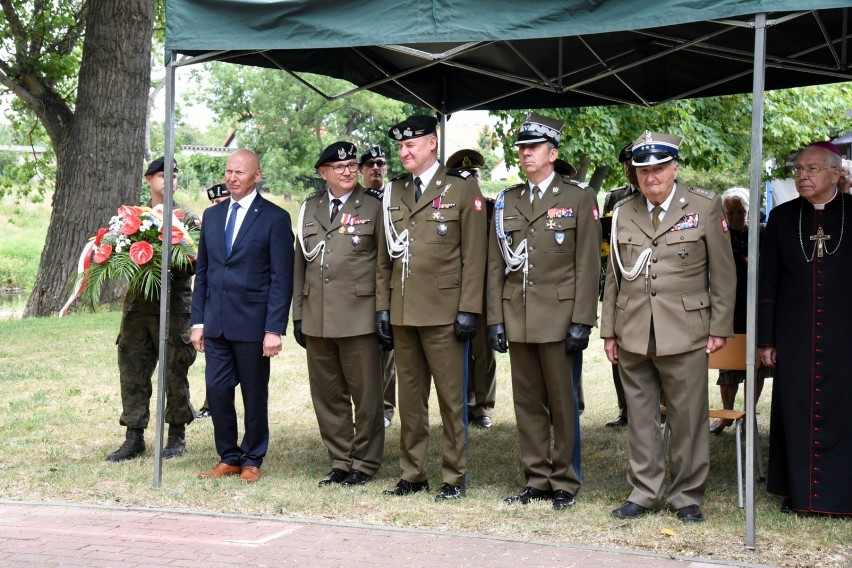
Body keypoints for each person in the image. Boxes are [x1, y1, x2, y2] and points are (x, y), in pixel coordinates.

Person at [601, 130, 735, 523]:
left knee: (688, 418)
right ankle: (643, 492)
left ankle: (687, 495)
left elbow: (723, 275)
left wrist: (719, 327)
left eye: (659, 168)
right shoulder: (624, 210)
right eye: (643, 170)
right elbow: (613, 275)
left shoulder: (704, 206)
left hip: (686, 329)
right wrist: (609, 330)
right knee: (640, 416)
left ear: (675, 168)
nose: (651, 177)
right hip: (633, 330)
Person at [487, 113, 601, 511]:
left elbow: (589, 264)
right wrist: (495, 318)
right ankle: (536, 478)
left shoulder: (578, 197)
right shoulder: (508, 200)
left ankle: (565, 481)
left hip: (559, 316)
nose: (525, 154)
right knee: (528, 402)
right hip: (517, 314)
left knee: (563, 403)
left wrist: (582, 320)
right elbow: (494, 264)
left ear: (552, 153)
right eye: (521, 148)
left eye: (533, 148)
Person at [376, 115, 487, 501]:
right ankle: (413, 472)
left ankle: (454, 476)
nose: (404, 152)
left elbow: (475, 255)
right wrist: (382, 308)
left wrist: (469, 309)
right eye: (401, 146)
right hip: (404, 310)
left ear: (432, 145)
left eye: (412, 145)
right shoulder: (394, 191)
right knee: (410, 398)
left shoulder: (461, 187)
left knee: (451, 401)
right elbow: (383, 258)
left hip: (445, 312)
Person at [758, 141, 852, 515]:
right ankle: (799, 493)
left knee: (844, 410)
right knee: (795, 407)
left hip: (845, 332)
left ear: (835, 173)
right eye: (798, 169)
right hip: (794, 333)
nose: (802, 176)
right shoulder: (782, 217)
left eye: (812, 169)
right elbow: (767, 284)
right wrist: (766, 338)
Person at [191, 148, 295, 484]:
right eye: (228, 172)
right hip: (217, 322)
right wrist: (198, 321)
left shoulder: (275, 219)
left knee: (254, 394)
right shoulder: (212, 216)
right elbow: (203, 272)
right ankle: (229, 456)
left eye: (239, 172)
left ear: (256, 175)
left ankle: (253, 457)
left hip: (253, 324)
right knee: (217, 390)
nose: (232, 178)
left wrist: (274, 328)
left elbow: (281, 278)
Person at [293, 142, 385, 488]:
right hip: (318, 316)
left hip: (360, 316)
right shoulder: (310, 207)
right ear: (323, 172)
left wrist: (382, 312)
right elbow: (300, 263)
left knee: (366, 395)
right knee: (327, 395)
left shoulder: (374, 206)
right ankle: (340, 459)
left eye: (351, 165)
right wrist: (298, 315)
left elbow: (383, 266)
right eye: (339, 166)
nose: (347, 171)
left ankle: (365, 461)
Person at [106, 156, 198, 462]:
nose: (168, 179)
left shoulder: (186, 219)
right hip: (138, 307)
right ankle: (134, 436)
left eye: (174, 174)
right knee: (133, 369)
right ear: (149, 179)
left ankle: (176, 434)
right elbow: (116, 254)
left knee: (175, 371)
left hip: (174, 307)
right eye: (162, 175)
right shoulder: (133, 218)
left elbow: (197, 260)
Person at [709, 187, 770, 435]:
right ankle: (727, 414)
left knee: (754, 364)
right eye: (730, 212)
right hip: (728, 309)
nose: (736, 217)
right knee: (728, 366)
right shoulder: (718, 235)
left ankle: (747, 414)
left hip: (755, 307)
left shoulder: (763, 233)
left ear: (751, 211)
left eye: (741, 211)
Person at [446, 148, 496, 430]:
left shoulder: (491, 208)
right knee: (454, 353)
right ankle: (462, 404)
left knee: (484, 354)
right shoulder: (445, 206)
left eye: (474, 174)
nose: (469, 179)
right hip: (452, 291)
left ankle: (483, 406)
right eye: (463, 175)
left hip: (484, 292)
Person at [600, 143, 639, 428]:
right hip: (620, 282)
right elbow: (605, 244)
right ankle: (625, 408)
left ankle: (660, 407)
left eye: (633, 163)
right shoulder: (615, 199)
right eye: (626, 165)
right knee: (618, 350)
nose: (629, 169)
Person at [358, 145, 396, 429]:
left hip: (391, 287)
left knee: (388, 353)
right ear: (361, 170)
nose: (376, 168)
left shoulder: (394, 199)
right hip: (361, 288)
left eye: (380, 163)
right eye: (369, 164)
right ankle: (364, 408)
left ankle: (385, 408)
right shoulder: (355, 202)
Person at [194, 182, 232, 420]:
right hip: (214, 303)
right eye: (214, 202)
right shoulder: (211, 222)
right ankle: (211, 403)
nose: (219, 205)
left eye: (223, 200)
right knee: (215, 363)